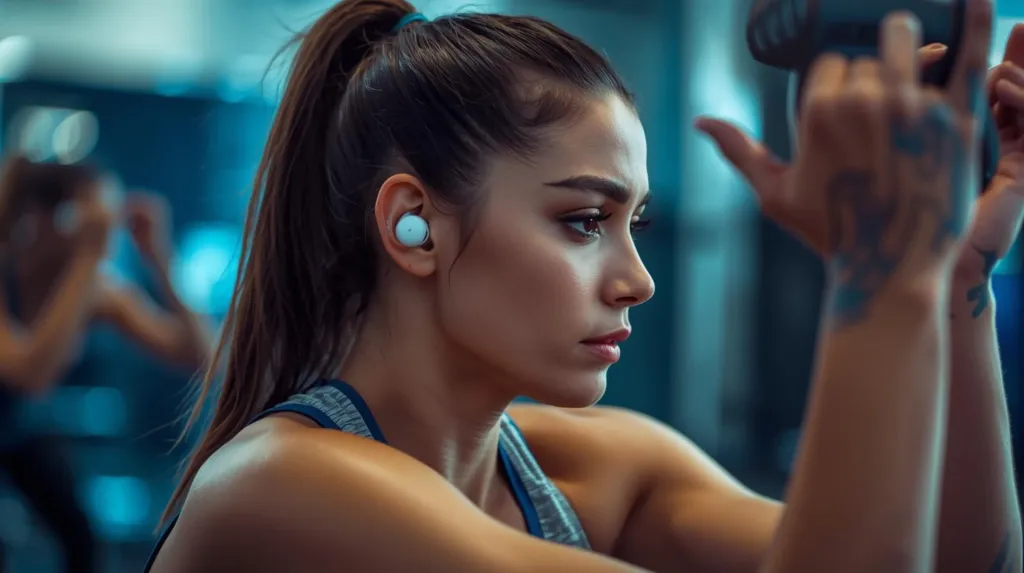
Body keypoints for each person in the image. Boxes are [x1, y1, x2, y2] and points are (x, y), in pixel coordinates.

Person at [147, 1, 1021, 571]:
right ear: (414, 222)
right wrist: (880, 271)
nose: (638, 281)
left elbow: (965, 561)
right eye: (582, 221)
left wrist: (950, 275)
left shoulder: (603, 465)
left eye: (633, 222)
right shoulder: (278, 488)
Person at [0, 156, 211, 573]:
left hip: (14, 429)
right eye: (94, 216)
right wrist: (86, 257)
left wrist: (160, 260)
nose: (105, 229)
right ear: (48, 219)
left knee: (81, 539)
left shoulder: (89, 286)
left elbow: (197, 355)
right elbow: (29, 374)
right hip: (16, 414)